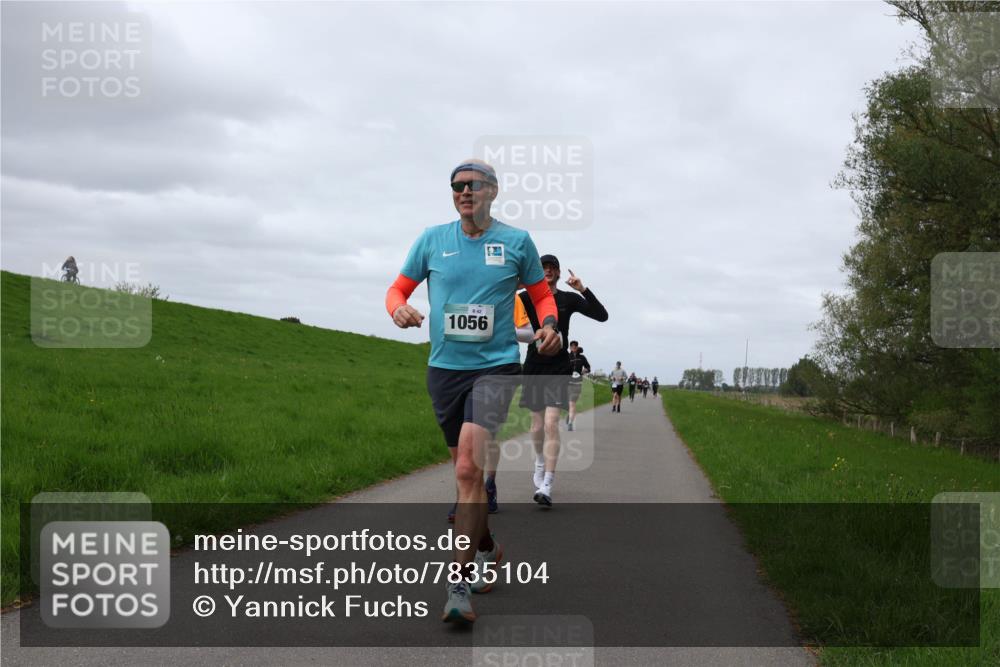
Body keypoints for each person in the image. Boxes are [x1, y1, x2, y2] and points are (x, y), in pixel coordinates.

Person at [386, 158, 560, 624]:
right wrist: (397, 308)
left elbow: (541, 295)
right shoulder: (432, 240)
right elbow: (397, 289)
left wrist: (549, 324)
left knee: (467, 468)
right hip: (444, 370)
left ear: (493, 191)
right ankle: (486, 546)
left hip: (496, 368)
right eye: (457, 185)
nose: (464, 191)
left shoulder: (516, 242)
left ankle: (458, 586)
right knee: (469, 479)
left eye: (474, 184)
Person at [518, 255, 607, 507]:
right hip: (534, 364)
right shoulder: (525, 297)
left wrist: (582, 289)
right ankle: (539, 461)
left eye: (552, 268)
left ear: (558, 273)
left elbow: (602, 315)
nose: (547, 271)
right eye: (543, 268)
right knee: (537, 426)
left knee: (551, 423)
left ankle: (547, 482)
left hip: (559, 366)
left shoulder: (568, 299)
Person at [566, 341, 591, 431]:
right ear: (570, 347)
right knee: (568, 403)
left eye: (575, 346)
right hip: (567, 382)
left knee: (572, 403)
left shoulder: (582, 357)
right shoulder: (567, 357)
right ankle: (569, 415)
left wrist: (585, 370)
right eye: (572, 346)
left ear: (577, 347)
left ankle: (570, 423)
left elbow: (588, 367)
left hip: (577, 383)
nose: (573, 347)